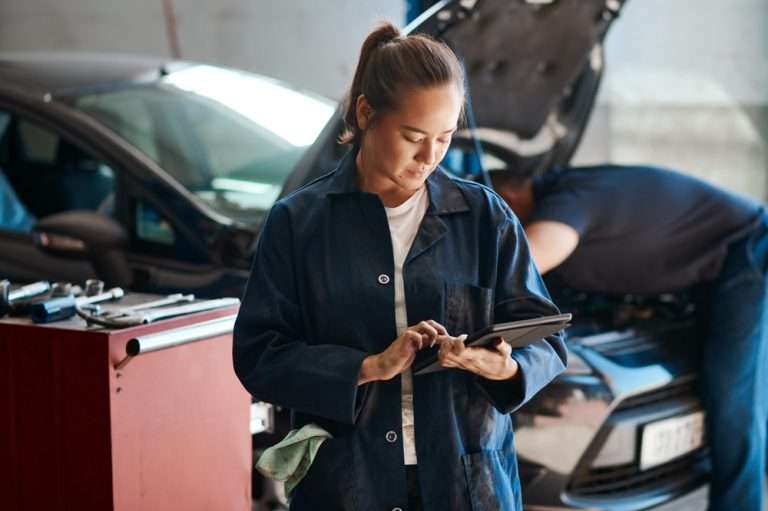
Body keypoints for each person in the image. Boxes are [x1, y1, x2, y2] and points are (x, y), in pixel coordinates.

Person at [233, 23, 567, 511]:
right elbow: (259, 355)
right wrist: (367, 367)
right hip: (349, 482)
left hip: (466, 485)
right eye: (413, 136)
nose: (429, 156)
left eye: (445, 137)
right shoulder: (299, 224)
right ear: (367, 113)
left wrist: (501, 365)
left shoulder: (484, 218)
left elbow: (546, 338)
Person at [491, 164, 768, 511]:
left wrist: (466, 291)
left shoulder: (571, 197)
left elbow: (527, 261)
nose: (496, 234)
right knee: (724, 390)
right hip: (700, 274)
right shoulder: (567, 192)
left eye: (496, 219)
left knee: (735, 398)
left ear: (511, 201)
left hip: (747, 249)